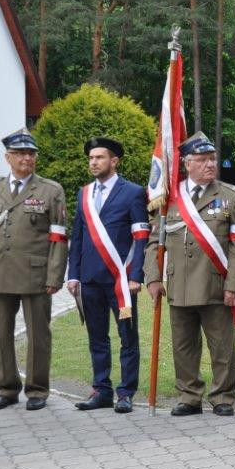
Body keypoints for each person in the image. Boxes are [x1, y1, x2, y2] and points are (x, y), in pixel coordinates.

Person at [144, 132, 235, 417]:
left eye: (212, 158)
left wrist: (234, 285)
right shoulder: (169, 197)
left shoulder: (230, 196)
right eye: (202, 159)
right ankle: (189, 396)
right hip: (179, 284)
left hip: (215, 283)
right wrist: (153, 278)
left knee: (222, 346)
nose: (209, 164)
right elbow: (155, 241)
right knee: (183, 346)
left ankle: (223, 397)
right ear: (187, 164)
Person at [0, 128, 68, 411]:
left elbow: (59, 235)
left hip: (36, 273)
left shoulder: (50, 190)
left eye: (31, 153)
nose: (26, 158)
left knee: (38, 335)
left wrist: (55, 275)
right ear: (7, 157)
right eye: (20, 153)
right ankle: (7, 388)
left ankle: (37, 390)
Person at [67, 137, 149, 414]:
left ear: (114, 161)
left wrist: (136, 275)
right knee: (97, 337)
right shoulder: (84, 193)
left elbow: (141, 237)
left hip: (121, 283)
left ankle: (125, 393)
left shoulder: (133, 192)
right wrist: (73, 275)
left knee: (128, 337)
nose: (93, 162)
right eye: (91, 158)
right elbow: (77, 237)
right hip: (90, 281)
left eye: (99, 157)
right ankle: (101, 389)